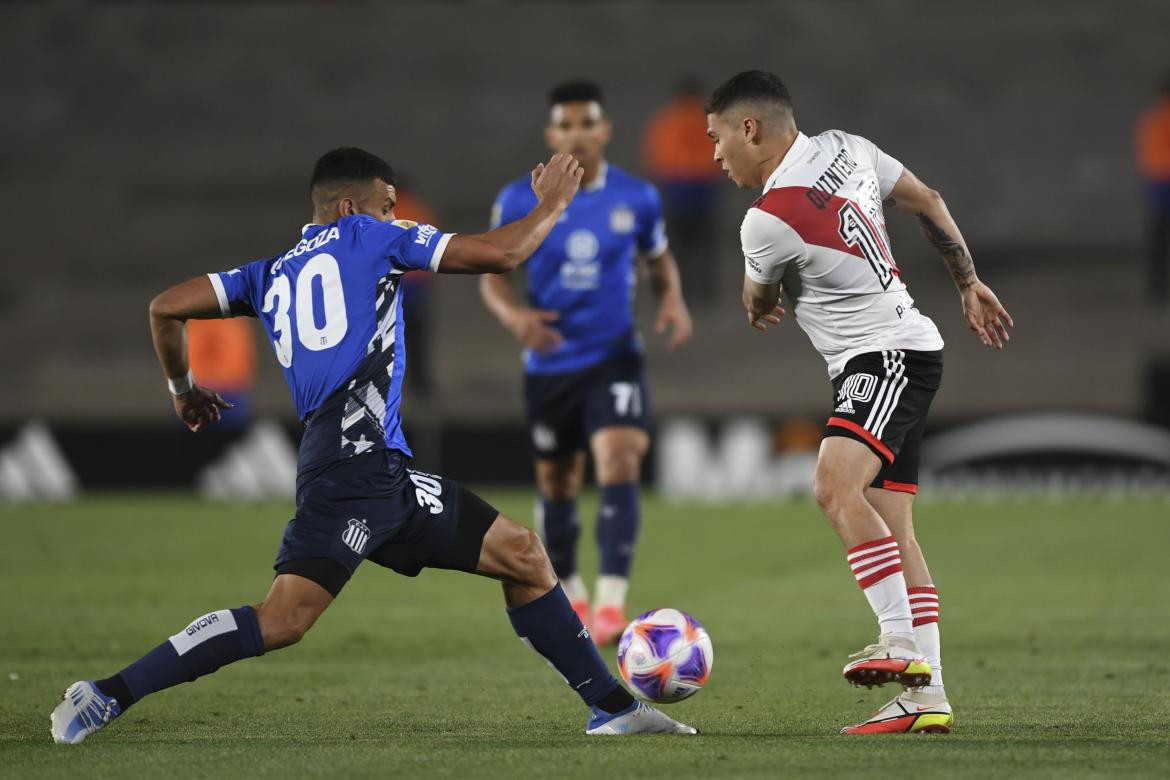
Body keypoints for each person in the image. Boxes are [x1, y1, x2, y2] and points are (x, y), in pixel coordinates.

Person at [50, 148, 696, 744]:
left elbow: (166, 306)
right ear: (351, 208)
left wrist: (183, 389)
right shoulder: (370, 237)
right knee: (283, 621)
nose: (399, 216)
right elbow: (497, 255)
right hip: (352, 476)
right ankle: (107, 693)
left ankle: (612, 708)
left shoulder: (266, 274)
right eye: (391, 205)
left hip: (377, 470)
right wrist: (552, 205)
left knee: (524, 555)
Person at [704, 71, 1012, 734]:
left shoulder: (767, 218)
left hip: (884, 357)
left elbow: (759, 303)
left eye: (718, 137)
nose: (715, 154)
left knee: (833, 486)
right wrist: (969, 282)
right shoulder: (850, 147)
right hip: (909, 346)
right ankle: (925, 699)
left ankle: (898, 642)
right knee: (892, 526)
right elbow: (928, 200)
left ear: (749, 129)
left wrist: (758, 303)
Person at [480, 80, 693, 645]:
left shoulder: (637, 197)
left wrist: (670, 296)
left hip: (615, 355)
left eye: (587, 123)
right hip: (550, 364)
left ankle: (611, 605)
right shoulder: (517, 199)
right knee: (558, 482)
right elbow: (492, 275)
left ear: (605, 130)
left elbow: (659, 257)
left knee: (620, 460)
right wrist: (515, 319)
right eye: (566, 125)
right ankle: (570, 589)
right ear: (552, 135)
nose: (577, 134)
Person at [642, 76, 723, 307]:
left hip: (677, 187)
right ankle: (706, 292)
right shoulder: (711, 120)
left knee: (678, 243)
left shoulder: (667, 120)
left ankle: (678, 289)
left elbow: (657, 155)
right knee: (705, 243)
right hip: (704, 188)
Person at [1135, 74, 1170, 306]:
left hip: (1155, 181)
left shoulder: (1150, 118)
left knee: (1158, 236)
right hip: (1164, 181)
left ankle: (1157, 287)